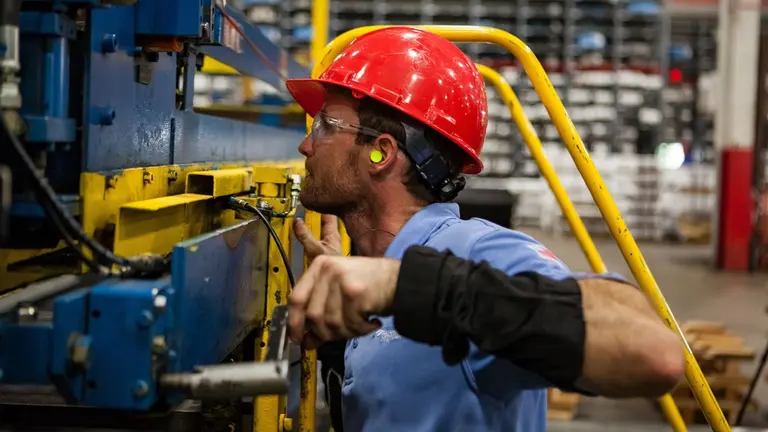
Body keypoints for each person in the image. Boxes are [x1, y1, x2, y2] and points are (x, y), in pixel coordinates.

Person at [284, 27, 684, 432]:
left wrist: (409, 284)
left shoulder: (476, 251)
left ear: (381, 152)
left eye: (325, 126)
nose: (306, 146)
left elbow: (654, 352)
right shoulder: (367, 271)